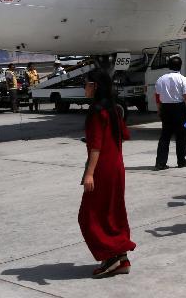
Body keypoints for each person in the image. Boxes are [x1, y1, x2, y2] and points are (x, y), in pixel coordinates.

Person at [79, 70, 135, 277]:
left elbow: (96, 146)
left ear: (94, 86)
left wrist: (89, 174)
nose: (84, 87)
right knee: (113, 212)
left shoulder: (97, 112)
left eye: (86, 84)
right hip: (117, 166)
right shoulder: (113, 108)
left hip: (103, 168)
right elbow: (124, 135)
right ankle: (121, 258)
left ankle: (111, 256)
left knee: (90, 216)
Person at [154, 56, 186, 170]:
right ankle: (181, 161)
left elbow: (158, 98)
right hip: (179, 108)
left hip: (166, 109)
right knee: (181, 136)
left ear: (168, 66)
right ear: (180, 66)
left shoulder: (160, 79)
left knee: (165, 136)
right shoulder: (183, 79)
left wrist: (159, 110)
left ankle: (160, 163)